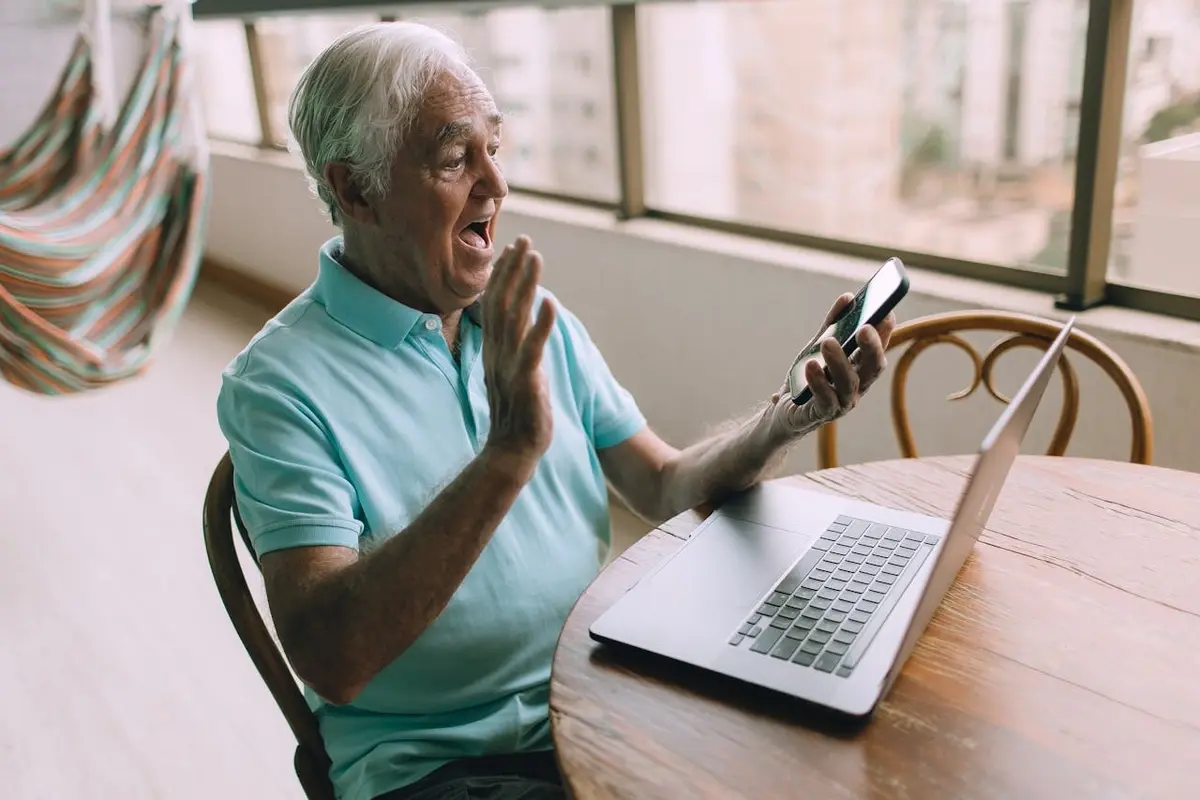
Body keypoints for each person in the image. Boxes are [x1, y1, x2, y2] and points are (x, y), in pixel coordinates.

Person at [216, 21, 895, 800]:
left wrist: (782, 418)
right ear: (356, 189)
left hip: (598, 698)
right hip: (438, 768)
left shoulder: (531, 319)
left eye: (494, 146)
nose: (495, 183)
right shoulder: (275, 385)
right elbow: (334, 658)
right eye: (454, 156)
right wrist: (507, 454)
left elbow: (664, 483)